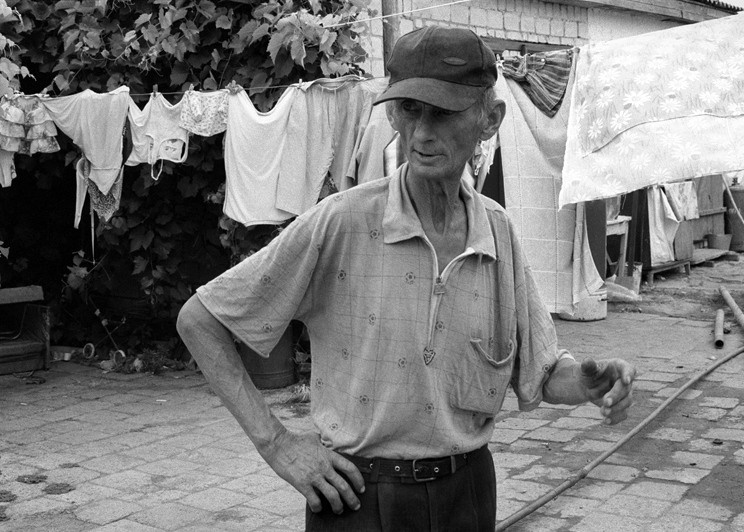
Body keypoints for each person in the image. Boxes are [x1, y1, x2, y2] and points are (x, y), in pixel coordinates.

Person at [177, 25, 636, 531]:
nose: (421, 133)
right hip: (357, 499)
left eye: (443, 112)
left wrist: (591, 384)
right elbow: (201, 319)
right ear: (392, 112)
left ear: (490, 119)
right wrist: (276, 443)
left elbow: (544, 372)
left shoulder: (497, 232)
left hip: (467, 493)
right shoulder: (343, 221)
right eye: (410, 109)